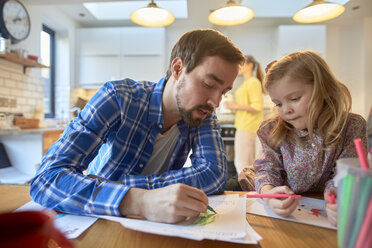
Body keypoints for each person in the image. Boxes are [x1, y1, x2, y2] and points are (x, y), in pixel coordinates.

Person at [30, 29, 245, 224]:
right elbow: (46, 178)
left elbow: (214, 176)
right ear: (178, 68)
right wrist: (139, 200)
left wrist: (118, 184)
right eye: (208, 85)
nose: (215, 102)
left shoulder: (202, 113)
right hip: (99, 218)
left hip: (154, 225)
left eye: (224, 91)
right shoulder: (118, 98)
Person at [243, 50, 367, 226]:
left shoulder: (352, 126)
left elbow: (344, 176)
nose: (286, 110)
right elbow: (267, 170)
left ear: (324, 89)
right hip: (288, 215)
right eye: (278, 103)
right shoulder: (272, 129)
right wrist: (271, 196)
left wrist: (337, 200)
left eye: (294, 98)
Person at [224, 56, 264, 175]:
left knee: (242, 163)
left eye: (242, 64)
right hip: (244, 125)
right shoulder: (246, 84)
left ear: (250, 65)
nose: (239, 67)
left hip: (248, 126)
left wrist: (233, 106)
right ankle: (251, 190)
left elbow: (257, 107)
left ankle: (249, 190)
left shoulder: (253, 82)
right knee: (246, 163)